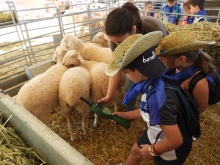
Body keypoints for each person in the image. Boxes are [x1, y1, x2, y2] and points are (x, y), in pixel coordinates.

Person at [106, 31, 194, 165]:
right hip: (157, 132)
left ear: (139, 71)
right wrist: (126, 115)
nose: (127, 77)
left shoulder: (158, 99)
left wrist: (152, 150)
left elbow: (175, 140)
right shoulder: (155, 82)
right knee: (136, 151)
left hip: (171, 149)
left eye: (126, 73)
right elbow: (150, 112)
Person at [98, 2, 168, 111]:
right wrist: (109, 95)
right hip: (137, 53)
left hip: (157, 51)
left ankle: (157, 109)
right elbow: (116, 65)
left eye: (120, 42)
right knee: (129, 85)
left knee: (159, 82)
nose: (118, 45)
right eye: (115, 42)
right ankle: (130, 110)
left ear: (133, 30)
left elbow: (163, 57)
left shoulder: (153, 30)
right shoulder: (117, 40)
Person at [156, 30, 216, 113]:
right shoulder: (173, 68)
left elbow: (199, 109)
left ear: (181, 59)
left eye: (164, 56)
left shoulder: (199, 82)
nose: (160, 58)